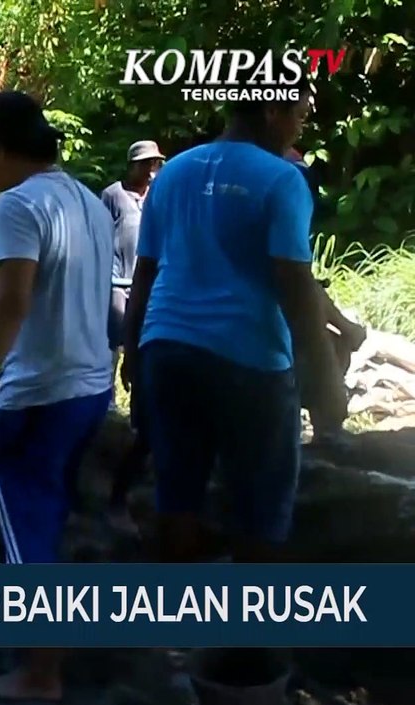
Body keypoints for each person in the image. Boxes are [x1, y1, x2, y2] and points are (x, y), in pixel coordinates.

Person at [121, 80, 346, 565]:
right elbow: (295, 284)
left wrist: (134, 356)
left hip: (167, 349)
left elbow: (145, 272)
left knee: (177, 494)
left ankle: (176, 608)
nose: (300, 127)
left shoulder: (173, 172)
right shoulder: (282, 178)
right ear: (271, 111)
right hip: (248, 359)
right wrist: (326, 380)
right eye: (298, 116)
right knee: (260, 509)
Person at [0, 91, 114, 703]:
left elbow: (12, 303)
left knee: (24, 529)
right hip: (91, 386)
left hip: (41, 395)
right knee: (46, 518)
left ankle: (42, 671)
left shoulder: (17, 203)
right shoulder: (89, 201)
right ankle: (44, 647)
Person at [101, 140, 165, 536]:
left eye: (154, 163)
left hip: (148, 280)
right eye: (144, 164)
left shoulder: (157, 196)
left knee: (140, 342)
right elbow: (100, 234)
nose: (150, 170)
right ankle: (107, 402)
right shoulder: (113, 195)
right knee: (114, 339)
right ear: (132, 165)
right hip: (116, 279)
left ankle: (138, 410)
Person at [285, 147, 367, 443]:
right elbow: (300, 286)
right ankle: (324, 437)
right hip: (257, 335)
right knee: (330, 348)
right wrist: (331, 385)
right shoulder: (281, 195)